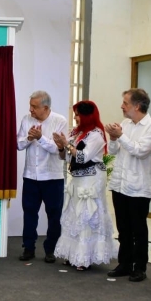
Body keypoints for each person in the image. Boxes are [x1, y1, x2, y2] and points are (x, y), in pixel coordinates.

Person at [52, 101, 117, 270]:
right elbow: (66, 158)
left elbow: (82, 157)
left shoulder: (96, 135)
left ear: (86, 116)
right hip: (77, 178)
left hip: (92, 179)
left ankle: (84, 256)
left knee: (87, 214)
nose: (75, 118)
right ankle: (72, 254)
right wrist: (61, 147)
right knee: (74, 213)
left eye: (77, 114)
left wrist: (67, 144)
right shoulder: (76, 133)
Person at [105, 88, 151, 282]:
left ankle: (140, 266)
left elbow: (139, 151)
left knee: (138, 228)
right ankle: (124, 263)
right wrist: (113, 138)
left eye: (125, 103)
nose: (122, 106)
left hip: (138, 186)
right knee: (123, 227)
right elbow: (113, 152)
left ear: (137, 106)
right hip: (120, 183)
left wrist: (120, 136)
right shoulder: (125, 124)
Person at [17, 91, 68, 263]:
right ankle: (28, 248)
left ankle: (50, 249)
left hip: (52, 177)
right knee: (29, 212)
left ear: (45, 107)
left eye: (34, 107)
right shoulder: (26, 119)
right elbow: (18, 144)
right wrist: (29, 138)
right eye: (30, 105)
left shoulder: (60, 121)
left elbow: (58, 149)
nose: (30, 109)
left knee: (54, 215)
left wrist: (41, 138)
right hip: (31, 175)